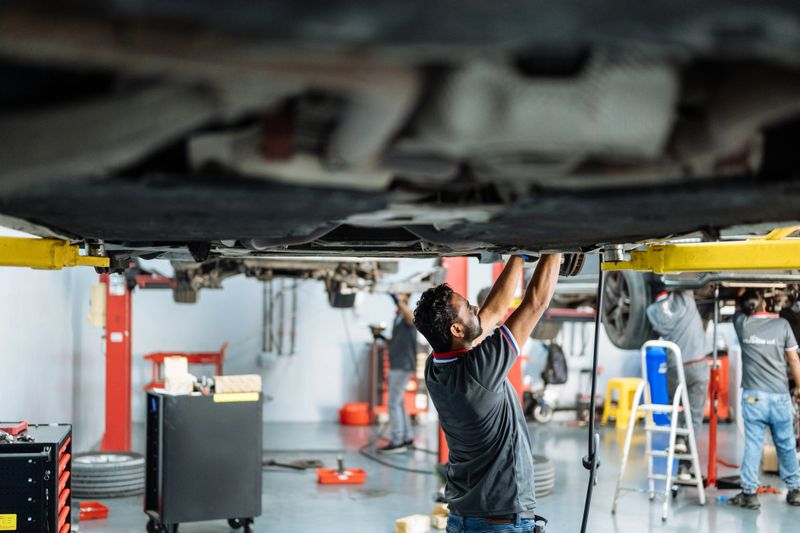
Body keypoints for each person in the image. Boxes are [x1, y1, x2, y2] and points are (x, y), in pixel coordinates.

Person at [414, 254, 561, 533]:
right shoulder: (476, 372)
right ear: (456, 329)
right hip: (496, 522)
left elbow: (493, 312)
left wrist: (519, 255)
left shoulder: (437, 367)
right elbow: (536, 303)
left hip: (470, 516)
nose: (476, 307)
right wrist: (558, 244)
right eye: (469, 308)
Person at [728, 290, 800, 509]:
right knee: (786, 444)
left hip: (754, 398)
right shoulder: (783, 326)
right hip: (779, 397)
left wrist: (741, 294)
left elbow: (737, 310)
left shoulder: (742, 324)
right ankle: (796, 490)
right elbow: (793, 359)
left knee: (753, 444)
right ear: (764, 305)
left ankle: (749, 494)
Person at [645, 287, 710, 476]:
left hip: (675, 366)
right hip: (697, 365)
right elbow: (685, 281)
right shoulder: (685, 298)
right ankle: (684, 467)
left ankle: (679, 440)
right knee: (694, 416)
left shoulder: (652, 312)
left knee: (676, 406)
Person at [378, 293, 418, 454]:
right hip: (397, 364)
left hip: (403, 365)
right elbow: (394, 341)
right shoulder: (397, 318)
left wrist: (398, 301)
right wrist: (380, 336)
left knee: (393, 403)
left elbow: (412, 319)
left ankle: (397, 441)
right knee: (399, 402)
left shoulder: (409, 315)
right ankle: (407, 437)